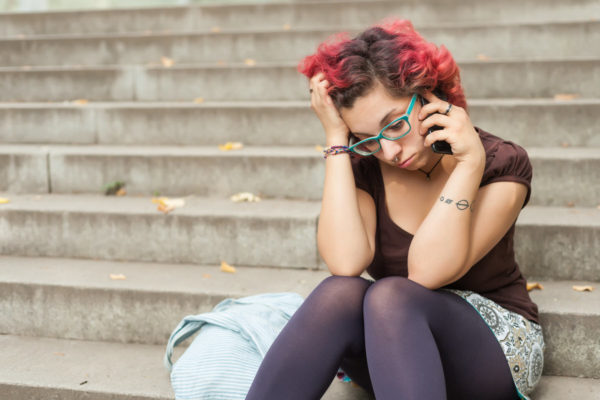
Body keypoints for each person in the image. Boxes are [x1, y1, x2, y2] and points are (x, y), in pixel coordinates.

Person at [245, 19, 544, 400]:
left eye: (394, 125)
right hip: (394, 350)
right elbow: (346, 262)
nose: (389, 152)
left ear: (429, 94)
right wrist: (338, 143)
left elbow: (427, 272)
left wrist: (469, 165)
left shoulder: (502, 162)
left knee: (391, 296)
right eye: (366, 140)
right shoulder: (367, 165)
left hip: (492, 346)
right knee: (341, 293)